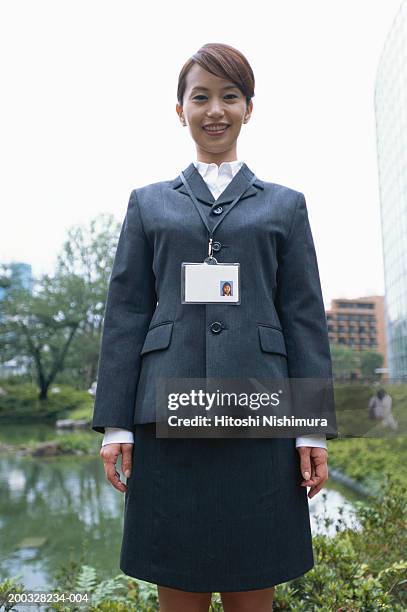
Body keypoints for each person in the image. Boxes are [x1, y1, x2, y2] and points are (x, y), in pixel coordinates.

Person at [92, 43, 337, 612]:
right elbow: (126, 312)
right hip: (166, 419)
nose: (215, 110)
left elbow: (302, 316)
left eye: (230, 96)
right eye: (200, 97)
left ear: (249, 108)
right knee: (177, 584)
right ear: (179, 109)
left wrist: (311, 430)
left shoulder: (286, 206)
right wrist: (115, 425)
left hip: (261, 417)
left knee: (256, 583)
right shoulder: (148, 204)